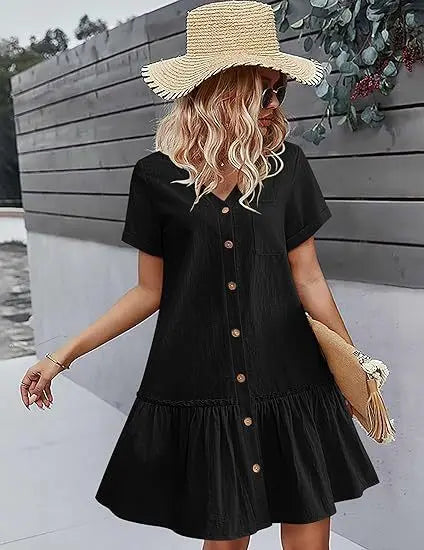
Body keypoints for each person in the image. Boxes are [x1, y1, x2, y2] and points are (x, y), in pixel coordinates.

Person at [19, 2, 380, 549]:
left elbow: (308, 278)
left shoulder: (289, 168)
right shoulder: (155, 178)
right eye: (264, 91)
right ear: (223, 91)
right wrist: (60, 357)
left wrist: (353, 369)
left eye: (280, 90)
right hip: (204, 382)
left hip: (292, 379)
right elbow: (149, 291)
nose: (276, 105)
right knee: (226, 534)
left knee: (309, 526)